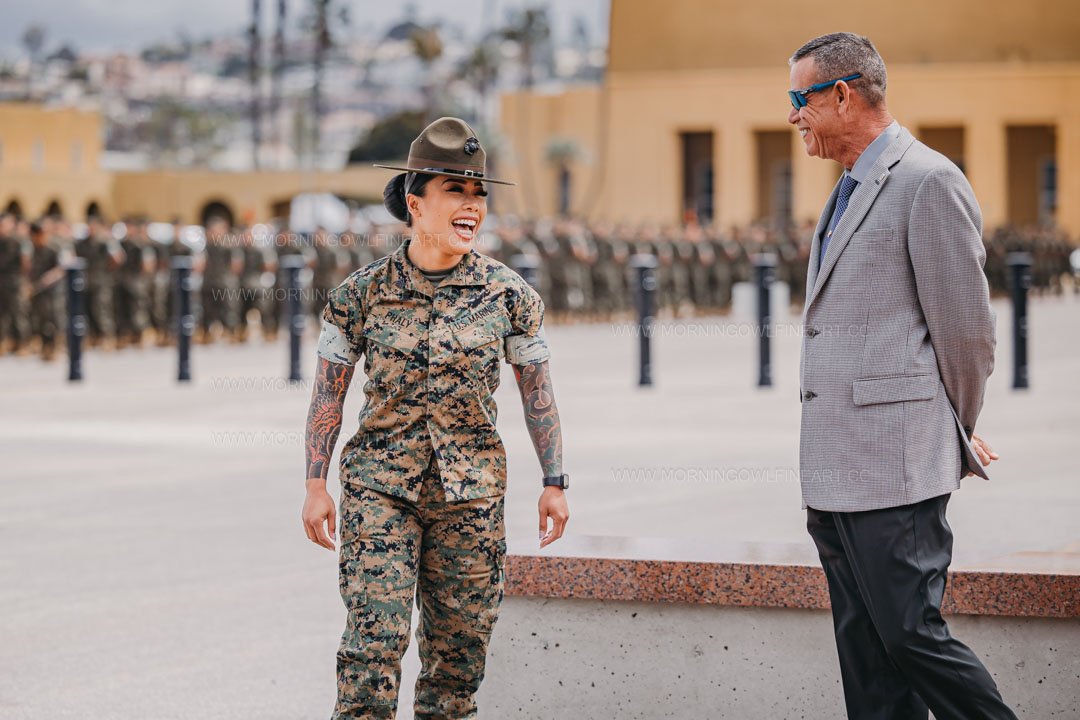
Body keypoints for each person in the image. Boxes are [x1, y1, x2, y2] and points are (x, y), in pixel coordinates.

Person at [300, 117, 570, 719]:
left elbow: (538, 395)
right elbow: (327, 397)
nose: (472, 205)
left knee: (458, 661)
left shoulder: (509, 296)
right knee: (373, 648)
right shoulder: (359, 294)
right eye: (456, 191)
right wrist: (316, 484)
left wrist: (555, 480)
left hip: (470, 499)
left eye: (478, 193)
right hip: (380, 491)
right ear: (415, 203)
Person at [788, 33, 1016, 720]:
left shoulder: (928, 180)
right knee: (867, 656)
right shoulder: (845, 190)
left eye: (800, 100)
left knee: (912, 636)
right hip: (834, 475)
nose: (793, 116)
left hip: (894, 469)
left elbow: (967, 333)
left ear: (842, 95)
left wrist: (952, 429)